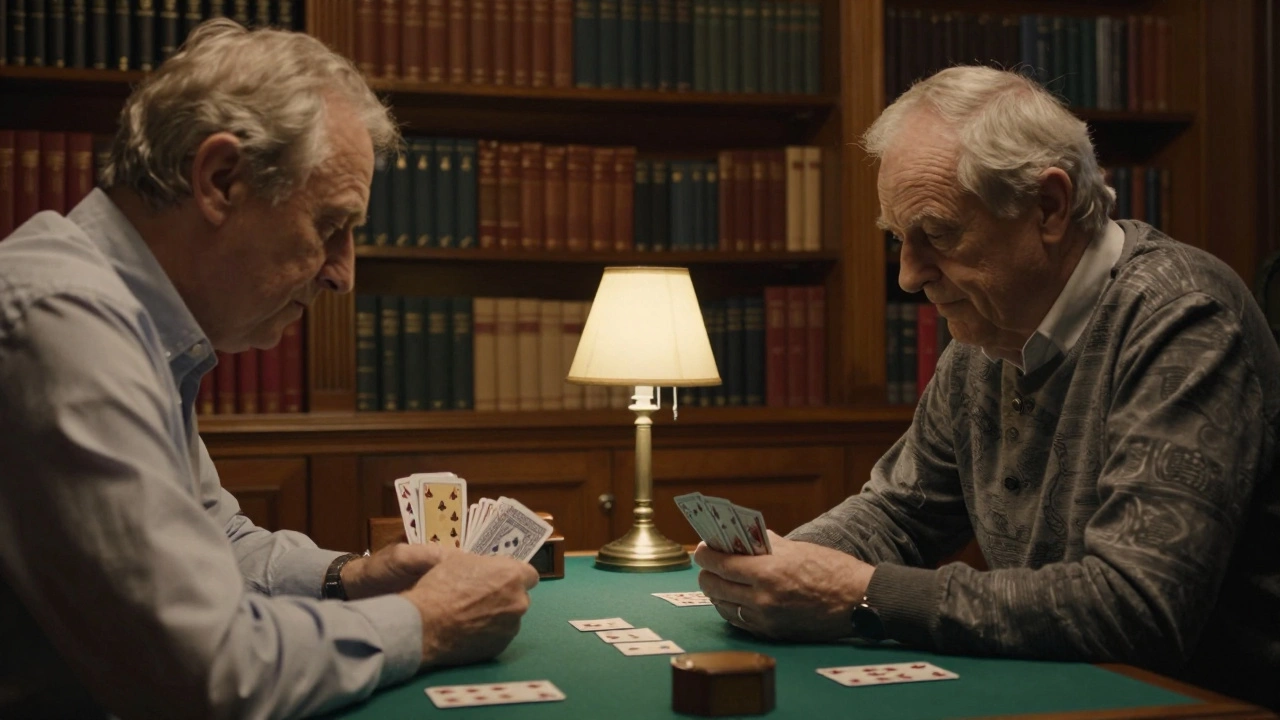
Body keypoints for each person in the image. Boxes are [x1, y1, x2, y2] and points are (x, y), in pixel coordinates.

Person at [695, 65, 1280, 710]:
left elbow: (1137, 606)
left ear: (1049, 207)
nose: (908, 276)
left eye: (938, 234)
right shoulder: (989, 333)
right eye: (899, 239)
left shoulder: (1184, 317)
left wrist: (861, 592)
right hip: (1064, 695)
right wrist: (780, 565)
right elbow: (902, 512)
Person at [0, 20, 539, 719]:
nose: (343, 275)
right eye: (330, 227)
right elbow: (209, 673)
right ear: (221, 181)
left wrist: (350, 577)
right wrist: (427, 620)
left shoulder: (130, 316)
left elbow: (216, 538)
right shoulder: (62, 320)